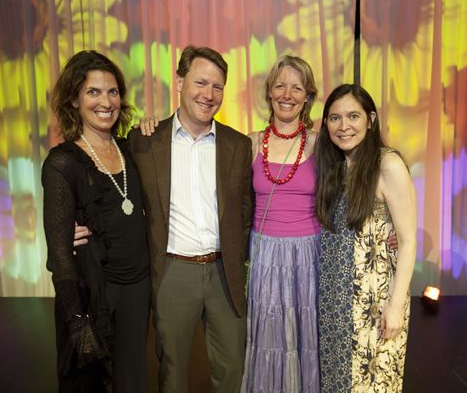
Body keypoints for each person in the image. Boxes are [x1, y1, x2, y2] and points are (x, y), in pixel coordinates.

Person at [127, 46, 254, 392]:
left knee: (233, 368)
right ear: (180, 82)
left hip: (224, 273)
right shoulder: (144, 141)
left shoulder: (238, 145)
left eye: (217, 86)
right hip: (173, 272)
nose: (209, 94)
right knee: (172, 372)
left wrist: (238, 257)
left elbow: (245, 210)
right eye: (200, 82)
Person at [42, 50, 151, 392]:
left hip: (138, 287)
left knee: (132, 380)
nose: (106, 101)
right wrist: (78, 322)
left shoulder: (130, 149)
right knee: (89, 383)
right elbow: (60, 257)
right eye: (93, 92)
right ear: (74, 100)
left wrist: (152, 125)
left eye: (113, 91)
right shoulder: (63, 163)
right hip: (94, 293)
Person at [315, 83, 417, 392]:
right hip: (335, 300)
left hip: (374, 302)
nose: (344, 126)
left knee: (372, 384)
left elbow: (408, 241)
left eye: (353, 116)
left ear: (370, 120)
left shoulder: (388, 164)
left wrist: (395, 306)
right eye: (335, 118)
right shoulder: (334, 166)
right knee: (337, 382)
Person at [241, 55, 321, 392]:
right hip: (264, 255)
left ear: (307, 96)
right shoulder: (250, 142)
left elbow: (357, 188)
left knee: (305, 337)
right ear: (269, 92)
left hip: (309, 256)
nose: (287, 95)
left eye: (297, 88)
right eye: (280, 86)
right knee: (269, 336)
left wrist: (387, 227)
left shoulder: (321, 143)